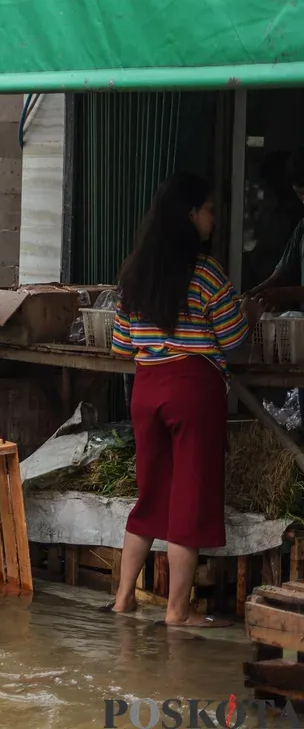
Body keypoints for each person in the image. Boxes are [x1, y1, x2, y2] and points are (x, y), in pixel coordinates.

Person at [108, 171, 260, 628]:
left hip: (147, 388)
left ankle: (122, 600)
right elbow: (234, 341)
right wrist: (247, 315)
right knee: (189, 497)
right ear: (191, 214)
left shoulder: (135, 272)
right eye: (209, 210)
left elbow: (121, 345)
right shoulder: (206, 272)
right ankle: (177, 611)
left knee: (150, 495)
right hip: (192, 390)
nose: (214, 218)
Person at [248, 149, 304, 310]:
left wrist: (286, 293)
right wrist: (255, 293)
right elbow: (280, 274)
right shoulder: (302, 227)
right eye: (300, 195)